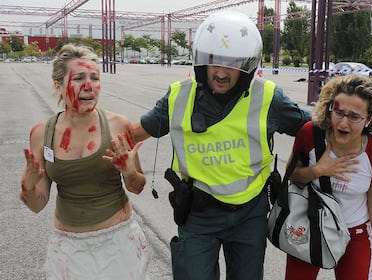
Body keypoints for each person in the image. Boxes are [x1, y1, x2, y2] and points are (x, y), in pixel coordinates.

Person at [132, 11, 310, 280]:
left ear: (248, 65)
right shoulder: (178, 97)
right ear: (202, 60)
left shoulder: (269, 98)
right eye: (215, 60)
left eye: (234, 63)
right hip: (198, 212)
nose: (222, 72)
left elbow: (312, 130)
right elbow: (133, 134)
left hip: (250, 213)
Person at [19, 44, 151, 280]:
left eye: (95, 78)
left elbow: (137, 186)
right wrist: (27, 187)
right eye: (79, 78)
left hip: (118, 243)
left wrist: (130, 172)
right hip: (69, 250)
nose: (89, 86)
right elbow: (37, 204)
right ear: (58, 86)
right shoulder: (41, 134)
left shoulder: (118, 125)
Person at [285, 74, 372, 280]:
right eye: (338, 112)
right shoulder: (310, 134)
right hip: (310, 225)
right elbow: (292, 176)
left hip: (354, 233)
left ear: (369, 119)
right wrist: (317, 171)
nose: (343, 122)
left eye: (354, 116)